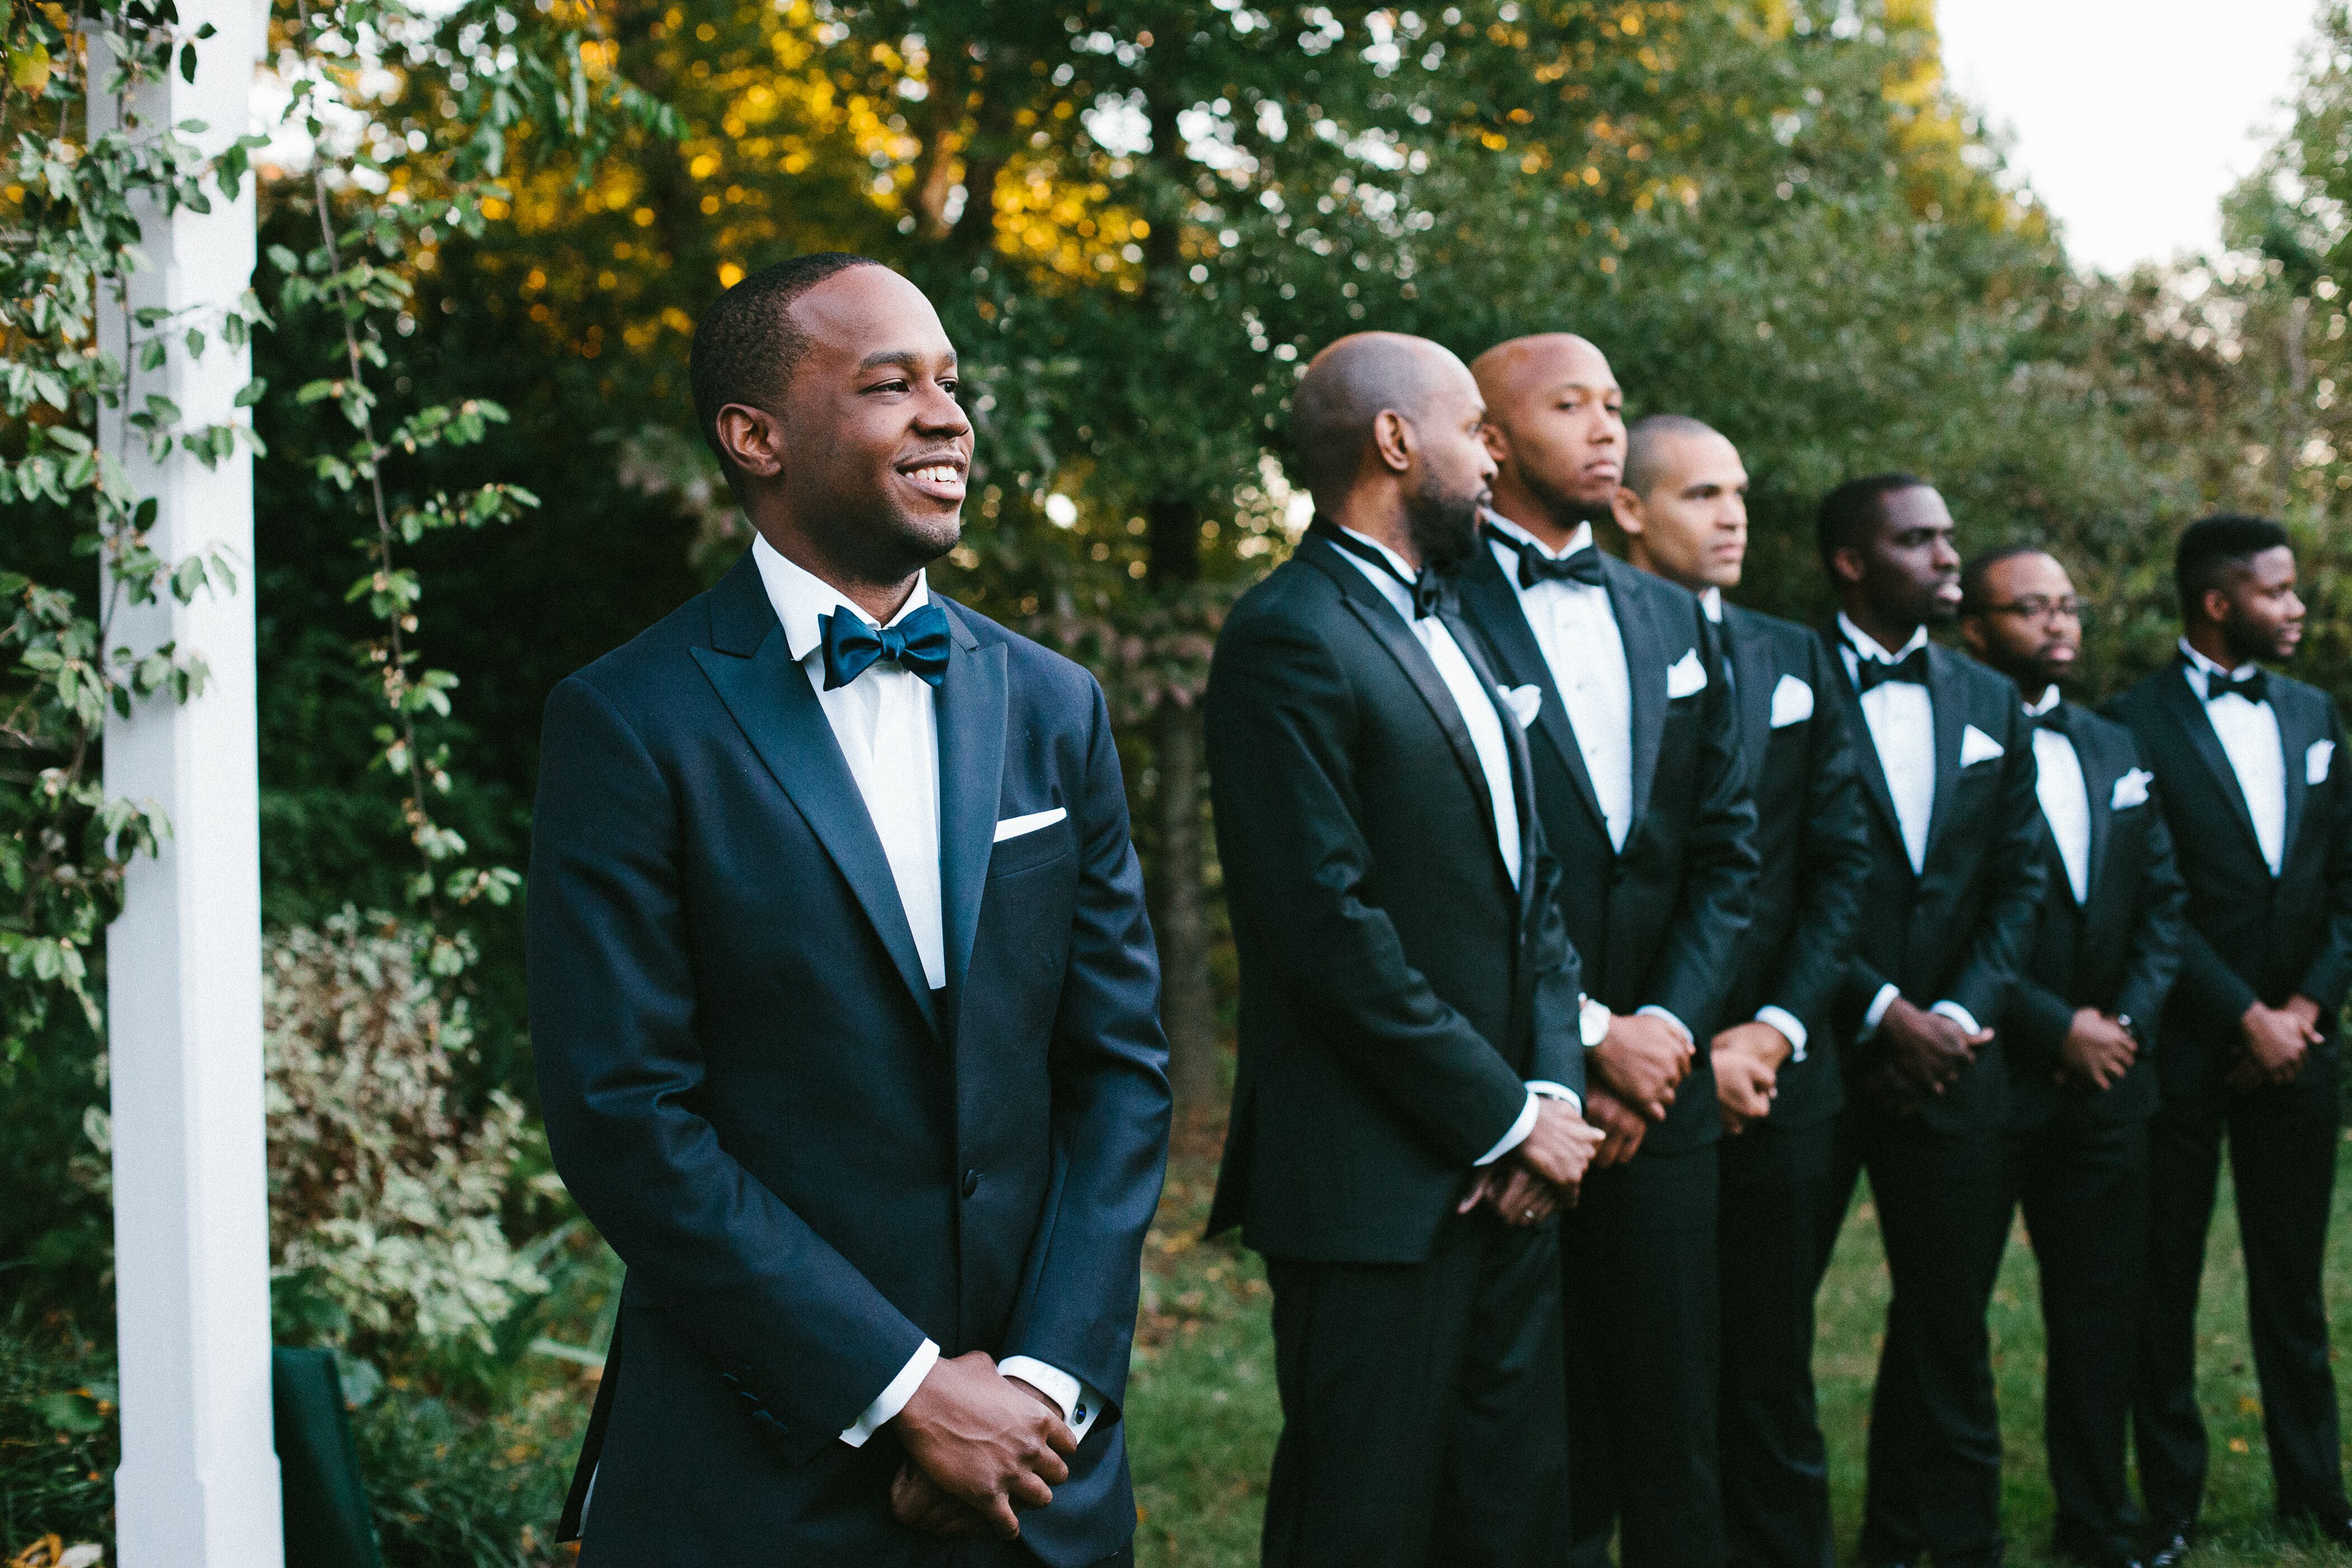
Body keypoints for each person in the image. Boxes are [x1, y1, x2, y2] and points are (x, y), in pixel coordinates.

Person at [527, 254, 1173, 1566]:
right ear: (754, 435)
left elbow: (1120, 1073)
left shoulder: (1056, 705)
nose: (948, 415)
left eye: (950, 383)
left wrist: (1038, 1389)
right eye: (892, 385)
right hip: (759, 1470)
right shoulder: (627, 722)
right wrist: (906, 1392)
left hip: (1039, 1476)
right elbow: (625, 1115)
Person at [1205, 331, 1604, 1568]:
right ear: (1394, 441)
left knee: (1511, 1511)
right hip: (1374, 1189)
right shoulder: (1286, 634)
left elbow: (1534, 893)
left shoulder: (1463, 623)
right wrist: (1499, 1116)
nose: (1494, 455)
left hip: (1513, 1176)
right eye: (1474, 426)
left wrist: (1549, 1094)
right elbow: (1323, 926)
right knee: (1363, 1523)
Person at [1450, 341, 1759, 1568]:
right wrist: (1587, 1039)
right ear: (1491, 432)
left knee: (1677, 1413)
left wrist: (1662, 1038)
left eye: (1616, 406)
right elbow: (1459, 877)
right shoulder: (1439, 596)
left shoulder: (1676, 614)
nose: (1605, 430)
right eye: (1569, 406)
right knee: (1528, 1430)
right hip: (1514, 1084)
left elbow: (1727, 855)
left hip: (1664, 1092)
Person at [1614, 414, 1872, 1568]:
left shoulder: (1795, 655)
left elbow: (1838, 864)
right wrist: (1677, 1038)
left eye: (1741, 495)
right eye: (1701, 495)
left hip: (1779, 1076)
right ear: (1629, 508)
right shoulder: (1578, 646)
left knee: (1773, 1369)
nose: (1733, 518)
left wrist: (1769, 1029)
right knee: (1645, 1381)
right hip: (1634, 1077)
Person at [2106, 515, 2352, 1563]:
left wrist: (2302, 1011)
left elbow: (2346, 882)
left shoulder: (2316, 713)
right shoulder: (2129, 725)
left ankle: (2315, 1488)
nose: (2297, 608)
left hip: (2302, 1042)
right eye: (2280, 591)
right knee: (2163, 1277)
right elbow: (2148, 902)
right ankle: (2170, 1501)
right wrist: (2241, 1015)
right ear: (2218, 602)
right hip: (2187, 1045)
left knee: (2291, 1281)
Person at [1813, 475, 2047, 1568]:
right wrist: (1876, 1006)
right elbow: (1768, 870)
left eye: (1949, 536)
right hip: (1810, 1048)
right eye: (1920, 539)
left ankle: (1946, 1542)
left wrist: (1947, 1015)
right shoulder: (1784, 674)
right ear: (1852, 561)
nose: (1950, 557)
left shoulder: (1992, 699)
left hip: (1957, 1058)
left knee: (1951, 1325)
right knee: (1763, 1325)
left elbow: (2018, 880)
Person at [1958, 546, 2186, 1568]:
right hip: (1991, 1075)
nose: (2061, 626)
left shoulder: (2113, 743)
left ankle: (2099, 1526)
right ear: (1976, 627)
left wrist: (2122, 1029)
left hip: (2110, 1090)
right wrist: (2059, 1029)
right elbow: (1950, 916)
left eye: (2069, 607)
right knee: (1949, 1321)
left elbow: (2163, 905)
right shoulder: (1955, 741)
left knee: (2100, 1321)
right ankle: (1945, 1529)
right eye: (2032, 609)